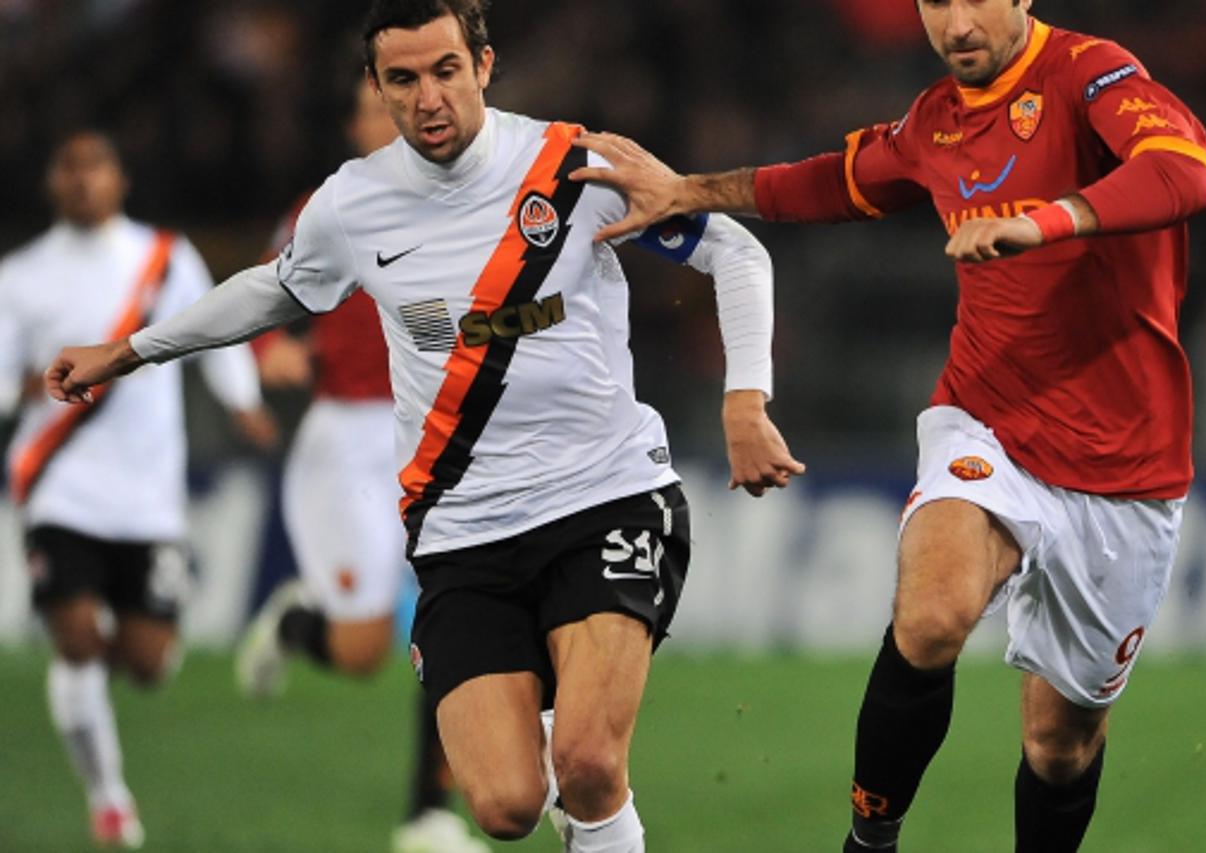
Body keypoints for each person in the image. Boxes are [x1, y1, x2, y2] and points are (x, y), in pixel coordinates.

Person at [43, 2, 804, 851]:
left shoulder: (573, 167)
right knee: (506, 807)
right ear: (376, 87)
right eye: (402, 79)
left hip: (605, 497)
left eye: (445, 70)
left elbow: (734, 251)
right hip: (462, 533)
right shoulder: (353, 204)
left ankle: (580, 761)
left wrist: (746, 399)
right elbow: (273, 290)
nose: (428, 97)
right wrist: (130, 350)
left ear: (484, 65)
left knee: (589, 762)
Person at [568, 1, 1206, 850]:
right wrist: (689, 190)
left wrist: (1042, 221)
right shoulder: (935, 123)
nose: (956, 23)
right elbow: (829, 183)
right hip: (988, 422)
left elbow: (1182, 173)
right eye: (935, 2)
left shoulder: (1091, 74)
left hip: (1127, 463)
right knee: (933, 615)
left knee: (1059, 746)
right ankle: (869, 842)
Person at [0, 130, 273, 849]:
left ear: (120, 180)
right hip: (59, 486)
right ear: (52, 183)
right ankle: (109, 798)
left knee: (148, 662)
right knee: (76, 640)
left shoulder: (164, 257)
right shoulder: (20, 277)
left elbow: (218, 330)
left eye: (95, 166)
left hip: (148, 494)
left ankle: (105, 684)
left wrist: (242, 400)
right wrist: (24, 386)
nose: (82, 179)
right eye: (69, 167)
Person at [238, 76, 488, 853]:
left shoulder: (467, 199)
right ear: (355, 127)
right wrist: (268, 349)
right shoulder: (327, 207)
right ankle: (298, 621)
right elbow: (262, 292)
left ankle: (427, 813)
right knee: (361, 651)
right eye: (378, 106)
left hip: (435, 433)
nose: (400, 114)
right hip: (349, 436)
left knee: (458, 616)